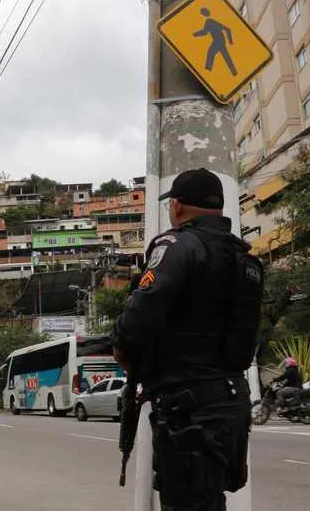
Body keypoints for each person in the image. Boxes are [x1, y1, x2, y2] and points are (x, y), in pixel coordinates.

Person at [112, 168, 264, 510]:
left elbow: (139, 314)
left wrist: (121, 345)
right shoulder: (245, 259)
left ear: (177, 207)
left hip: (190, 410)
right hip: (232, 405)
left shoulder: (177, 244)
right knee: (210, 502)